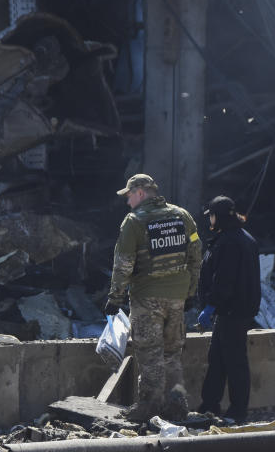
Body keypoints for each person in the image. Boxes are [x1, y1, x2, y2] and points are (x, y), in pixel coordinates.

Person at [106, 174, 202, 422]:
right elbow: (196, 254)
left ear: (140, 192)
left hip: (147, 297)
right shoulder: (183, 216)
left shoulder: (134, 221)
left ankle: (149, 406)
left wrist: (115, 297)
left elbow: (123, 264)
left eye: (129, 196)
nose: (128, 202)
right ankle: (177, 406)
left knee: (149, 353)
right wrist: (190, 291)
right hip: (178, 296)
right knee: (171, 352)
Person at [196, 196, 261, 423]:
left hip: (232, 311)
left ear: (219, 216)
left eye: (212, 215)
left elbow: (225, 279)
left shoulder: (230, 242)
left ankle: (237, 411)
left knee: (233, 362)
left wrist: (211, 304)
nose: (210, 220)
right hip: (232, 311)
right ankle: (210, 405)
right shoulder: (242, 238)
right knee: (219, 359)